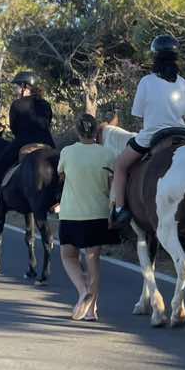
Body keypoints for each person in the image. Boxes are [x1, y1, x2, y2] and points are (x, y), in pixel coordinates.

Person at [109, 35, 185, 228]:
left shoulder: (146, 82)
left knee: (120, 165)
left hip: (153, 135)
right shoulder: (184, 83)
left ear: (154, 56)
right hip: (182, 133)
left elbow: (137, 113)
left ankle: (120, 210)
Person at [56, 113, 117, 321]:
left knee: (68, 256)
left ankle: (83, 290)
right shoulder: (108, 154)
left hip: (71, 213)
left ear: (77, 131)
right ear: (96, 131)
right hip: (98, 214)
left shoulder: (67, 152)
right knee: (93, 261)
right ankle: (91, 310)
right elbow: (112, 185)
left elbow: (61, 175)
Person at [0, 71, 55, 212]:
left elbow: (14, 128)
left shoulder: (17, 104)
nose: (15, 89)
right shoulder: (46, 104)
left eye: (17, 86)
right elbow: (48, 123)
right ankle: (58, 201)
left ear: (24, 86)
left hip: (24, 141)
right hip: (47, 143)